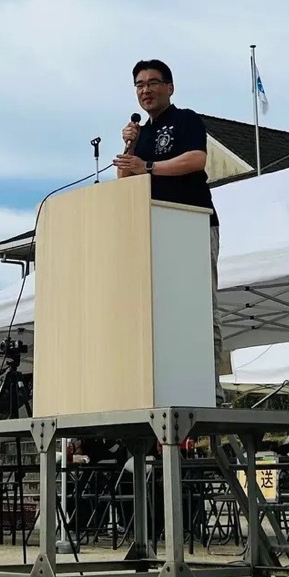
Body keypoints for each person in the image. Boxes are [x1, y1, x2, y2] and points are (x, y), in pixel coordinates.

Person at [112, 59, 223, 405]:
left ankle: (212, 389)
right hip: (154, 229)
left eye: (153, 82)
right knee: (162, 308)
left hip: (192, 221)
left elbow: (196, 160)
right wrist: (131, 147)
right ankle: (165, 386)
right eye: (139, 84)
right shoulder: (140, 133)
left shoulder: (186, 119)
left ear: (170, 87)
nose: (146, 90)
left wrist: (148, 165)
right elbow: (125, 181)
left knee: (201, 305)